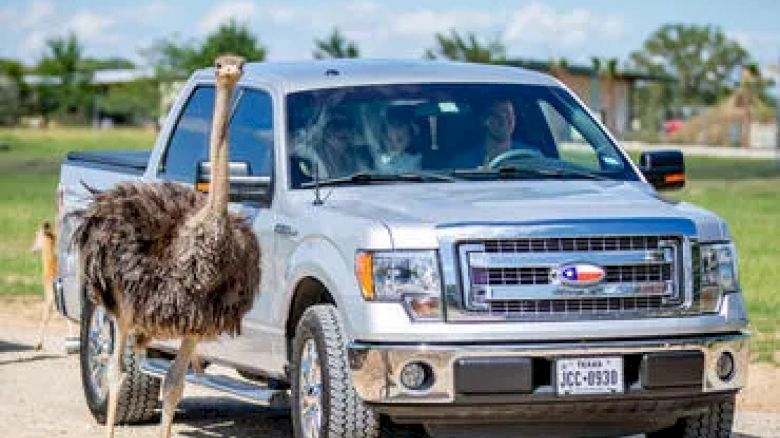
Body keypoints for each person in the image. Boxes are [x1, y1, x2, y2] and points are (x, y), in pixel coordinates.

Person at [375, 108, 422, 173]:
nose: (393, 145)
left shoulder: (414, 159)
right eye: (389, 140)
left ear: (410, 139)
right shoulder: (378, 158)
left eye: (399, 140)